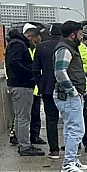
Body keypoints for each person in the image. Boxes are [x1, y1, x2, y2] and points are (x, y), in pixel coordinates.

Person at [53, 20, 87, 172]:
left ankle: (72, 159)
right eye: (80, 34)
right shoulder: (65, 49)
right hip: (68, 96)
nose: (82, 38)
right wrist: (73, 91)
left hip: (70, 95)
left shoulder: (69, 48)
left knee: (70, 129)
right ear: (73, 34)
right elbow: (60, 72)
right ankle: (68, 163)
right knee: (76, 129)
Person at [5, 23, 44, 156]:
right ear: (30, 36)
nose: (36, 43)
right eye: (35, 40)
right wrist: (30, 74)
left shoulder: (16, 44)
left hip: (19, 84)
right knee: (23, 118)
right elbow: (14, 63)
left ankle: (23, 143)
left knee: (20, 116)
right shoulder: (18, 45)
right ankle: (25, 146)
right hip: (21, 85)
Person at [33, 23, 63, 158]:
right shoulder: (67, 46)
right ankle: (72, 146)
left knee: (51, 118)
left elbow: (35, 69)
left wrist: (40, 83)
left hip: (47, 88)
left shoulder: (41, 46)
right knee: (70, 119)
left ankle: (54, 149)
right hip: (65, 87)